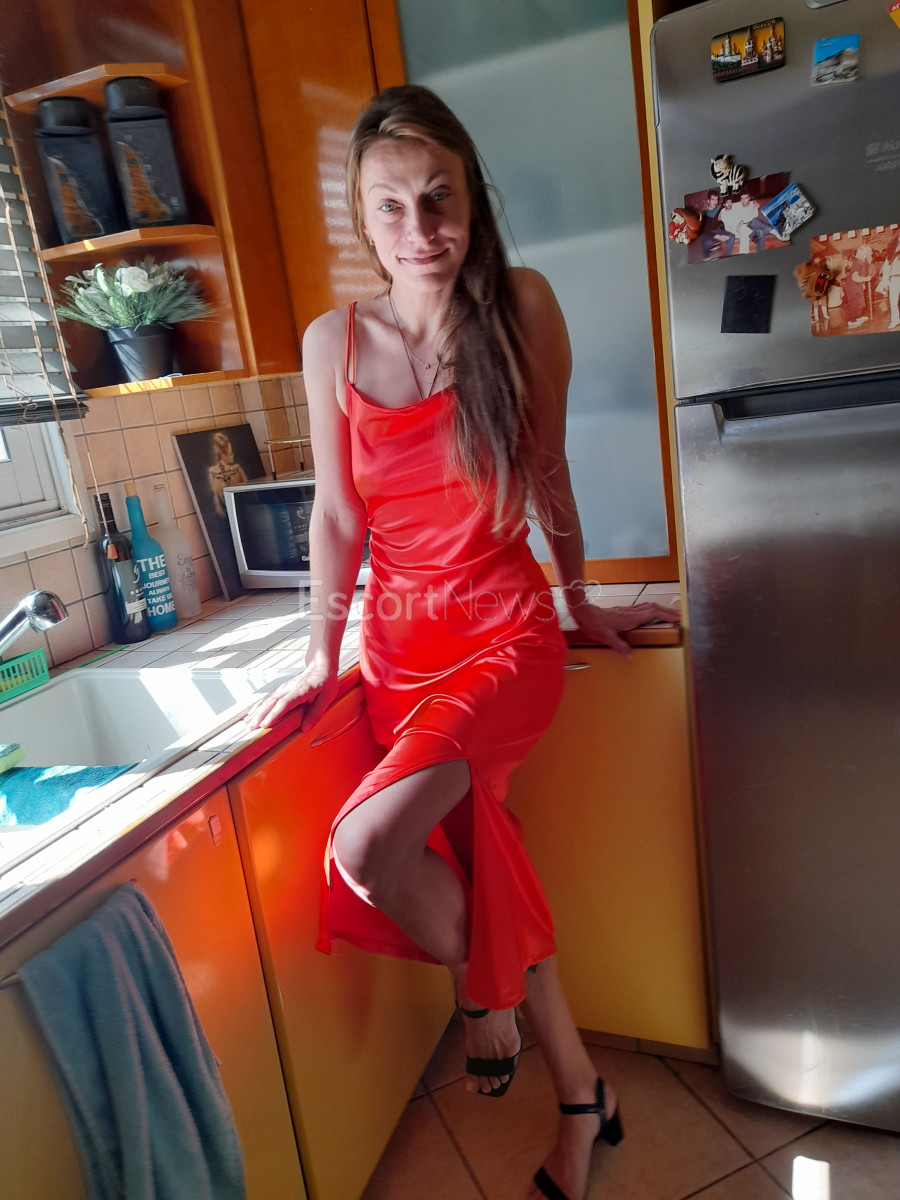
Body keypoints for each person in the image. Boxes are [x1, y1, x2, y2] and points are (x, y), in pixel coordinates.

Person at [246, 84, 677, 1200]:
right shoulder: (332, 341)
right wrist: (320, 653)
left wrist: (580, 601)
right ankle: (582, 1097)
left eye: (438, 197)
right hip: (399, 654)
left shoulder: (522, 307)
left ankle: (485, 996)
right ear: (362, 219)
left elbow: (549, 472)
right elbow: (336, 517)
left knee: (365, 846)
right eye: (390, 206)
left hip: (505, 638)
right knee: (489, 867)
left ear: (472, 199)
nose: (419, 227)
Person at [207, 431, 248, 518]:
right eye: (230, 453)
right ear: (223, 455)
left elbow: (215, 496)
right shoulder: (237, 469)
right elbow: (249, 490)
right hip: (240, 510)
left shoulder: (212, 472)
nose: (232, 455)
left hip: (233, 510)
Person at [843, 242, 876, 328]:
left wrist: (863, 284)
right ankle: (851, 321)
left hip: (857, 286)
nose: (869, 254)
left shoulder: (862, 262)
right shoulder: (857, 262)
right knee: (854, 303)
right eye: (868, 252)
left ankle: (858, 317)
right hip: (853, 286)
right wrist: (866, 279)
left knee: (859, 303)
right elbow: (855, 277)